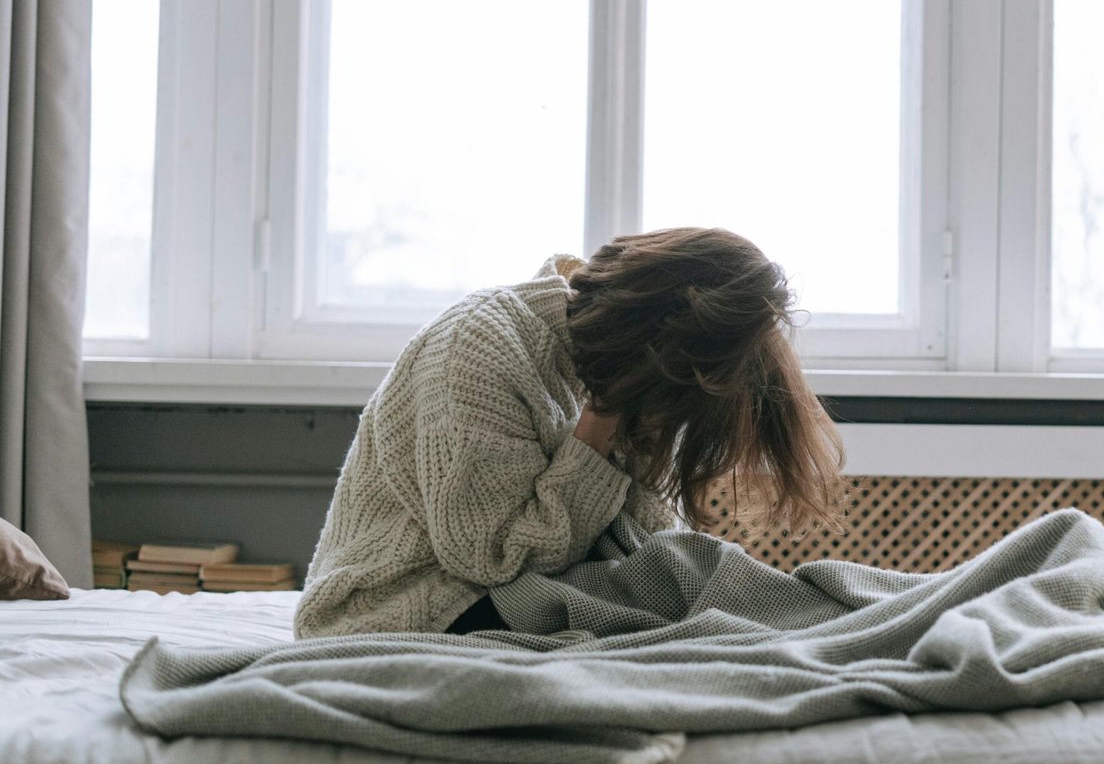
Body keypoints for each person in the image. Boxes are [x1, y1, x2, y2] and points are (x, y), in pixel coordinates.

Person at [293, 227, 845, 639]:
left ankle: (853, 617)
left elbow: (643, 540)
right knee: (687, 584)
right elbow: (493, 558)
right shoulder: (480, 347)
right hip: (398, 608)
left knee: (685, 574)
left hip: (500, 594)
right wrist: (597, 428)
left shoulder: (617, 368)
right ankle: (846, 625)